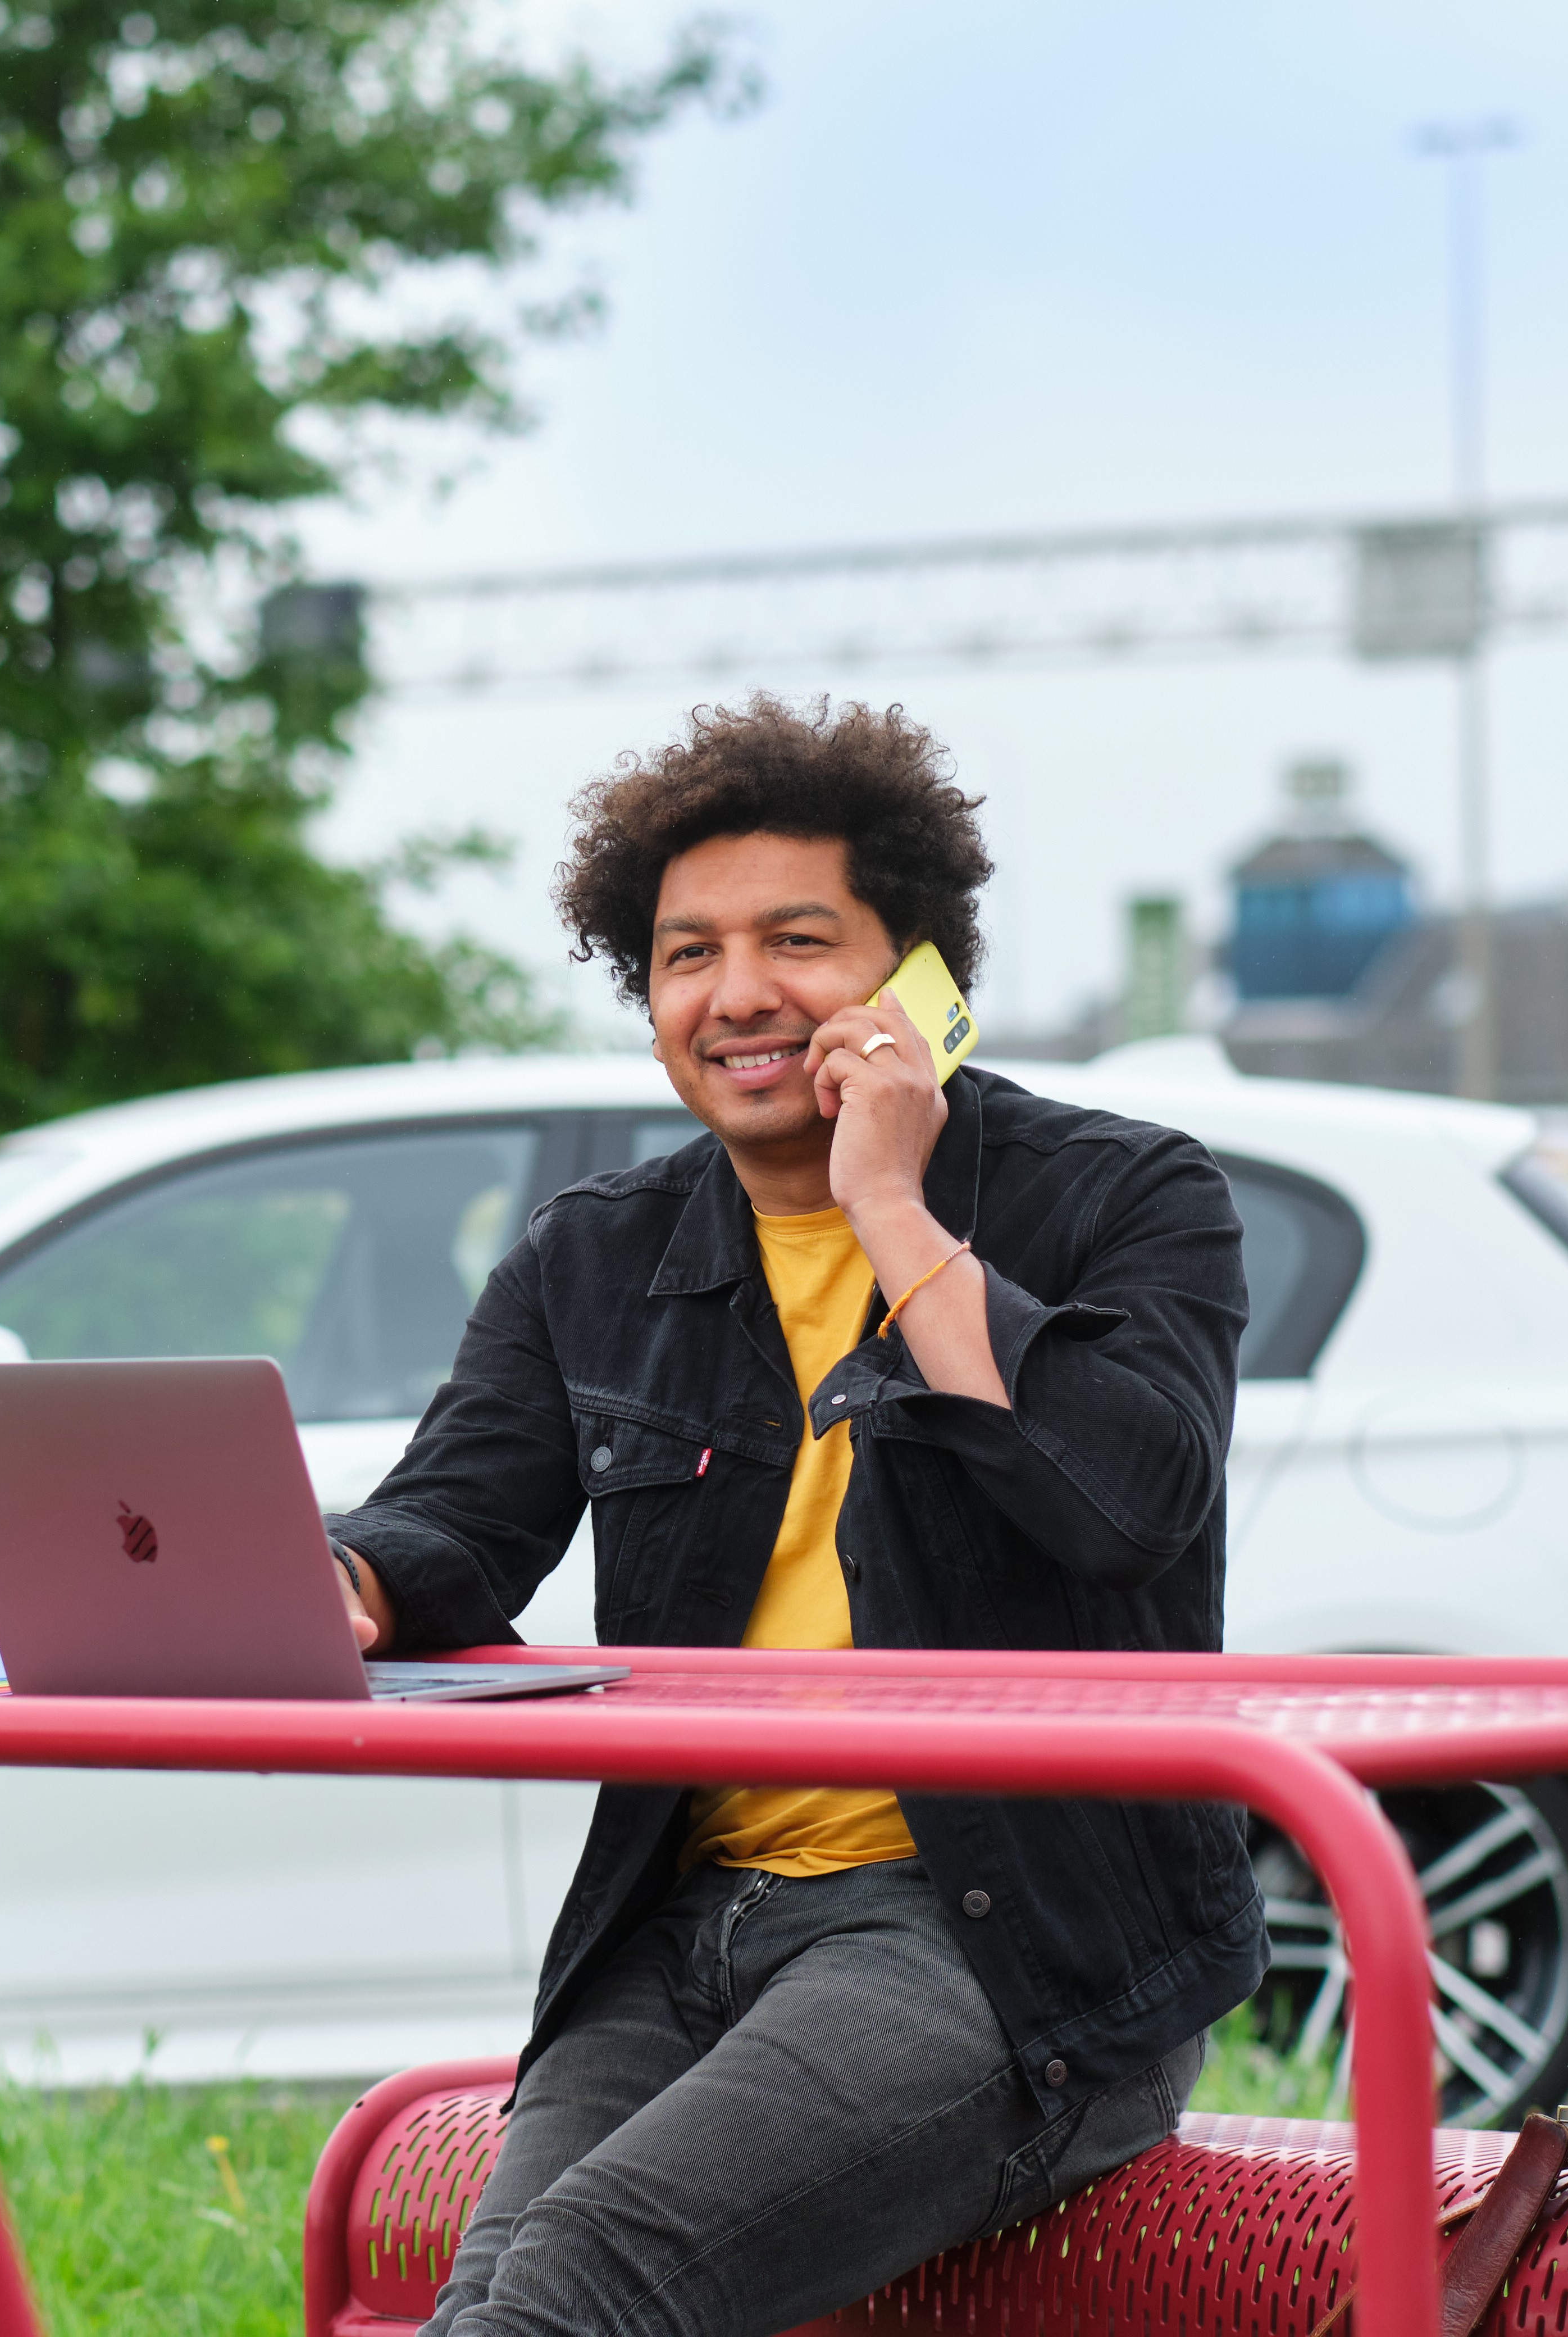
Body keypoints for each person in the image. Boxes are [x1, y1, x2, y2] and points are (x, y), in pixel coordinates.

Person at [324, 696, 1260, 2336]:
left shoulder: (1127, 1196)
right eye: (686, 955)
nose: (737, 994)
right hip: (681, 1920)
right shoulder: (595, 1256)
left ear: (921, 979)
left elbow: (1128, 1499)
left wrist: (887, 1200)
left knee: (578, 2278)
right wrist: (342, 1588)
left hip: (1007, 1940)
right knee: (497, 2297)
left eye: (797, 941)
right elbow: (456, 1527)